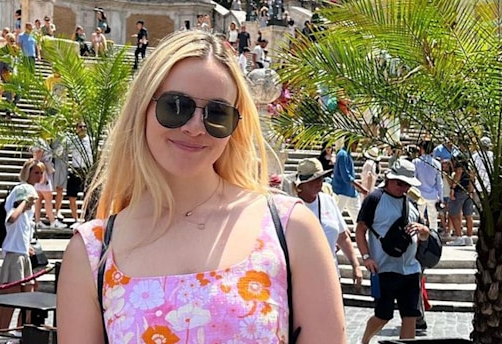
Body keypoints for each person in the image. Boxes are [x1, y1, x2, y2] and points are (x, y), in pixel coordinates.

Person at [56, 30, 345, 343]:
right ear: (142, 109)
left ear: (236, 126)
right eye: (175, 106)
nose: (194, 128)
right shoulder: (90, 253)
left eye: (217, 114)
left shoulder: (291, 229)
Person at [356, 159, 430, 343]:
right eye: (400, 183)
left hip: (410, 269)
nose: (403, 187)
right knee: (383, 315)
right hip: (384, 268)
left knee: (410, 315)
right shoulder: (375, 199)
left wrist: (423, 231)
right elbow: (360, 229)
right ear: (389, 179)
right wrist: (366, 257)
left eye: (407, 184)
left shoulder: (411, 203)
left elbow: (424, 235)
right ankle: (365, 340)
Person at [290, 158, 363, 285]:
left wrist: (355, 265)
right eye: (314, 180)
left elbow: (342, 236)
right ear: (301, 184)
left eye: (321, 178)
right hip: (301, 278)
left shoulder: (328, 201)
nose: (319, 182)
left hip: (330, 274)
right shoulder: (291, 206)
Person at [0, 159, 42, 331]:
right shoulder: (23, 190)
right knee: (12, 296)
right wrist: (26, 203)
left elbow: (23, 224)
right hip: (15, 251)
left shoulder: (27, 189)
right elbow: (12, 218)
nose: (40, 176)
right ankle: (2, 330)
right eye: (36, 172)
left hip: (21, 249)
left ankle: (20, 331)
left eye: (41, 172)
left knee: (28, 293)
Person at [332, 139, 368, 231]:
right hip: (341, 192)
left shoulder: (346, 154)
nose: (357, 146)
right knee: (334, 218)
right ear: (349, 143)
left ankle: (363, 241)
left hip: (351, 192)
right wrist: (361, 188)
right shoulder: (342, 154)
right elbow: (346, 176)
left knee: (360, 219)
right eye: (355, 143)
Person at [413, 140, 443, 230]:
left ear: (421, 149)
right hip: (433, 194)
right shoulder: (437, 164)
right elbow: (439, 182)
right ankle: (434, 236)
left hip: (419, 194)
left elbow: (413, 179)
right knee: (433, 219)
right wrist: (441, 197)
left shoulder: (416, 162)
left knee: (419, 217)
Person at [66, 122, 92, 223]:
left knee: (89, 196)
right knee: (72, 196)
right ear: (76, 128)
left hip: (87, 170)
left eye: (85, 126)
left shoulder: (90, 141)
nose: (83, 128)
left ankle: (87, 217)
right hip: (76, 169)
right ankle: (75, 219)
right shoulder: (73, 141)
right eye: (80, 127)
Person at [447, 153, 475, 246]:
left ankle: (459, 237)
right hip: (468, 192)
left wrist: (452, 188)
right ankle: (469, 238)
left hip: (459, 191)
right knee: (468, 215)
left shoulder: (459, 168)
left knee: (453, 214)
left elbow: (458, 176)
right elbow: (472, 180)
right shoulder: (470, 168)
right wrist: (471, 191)